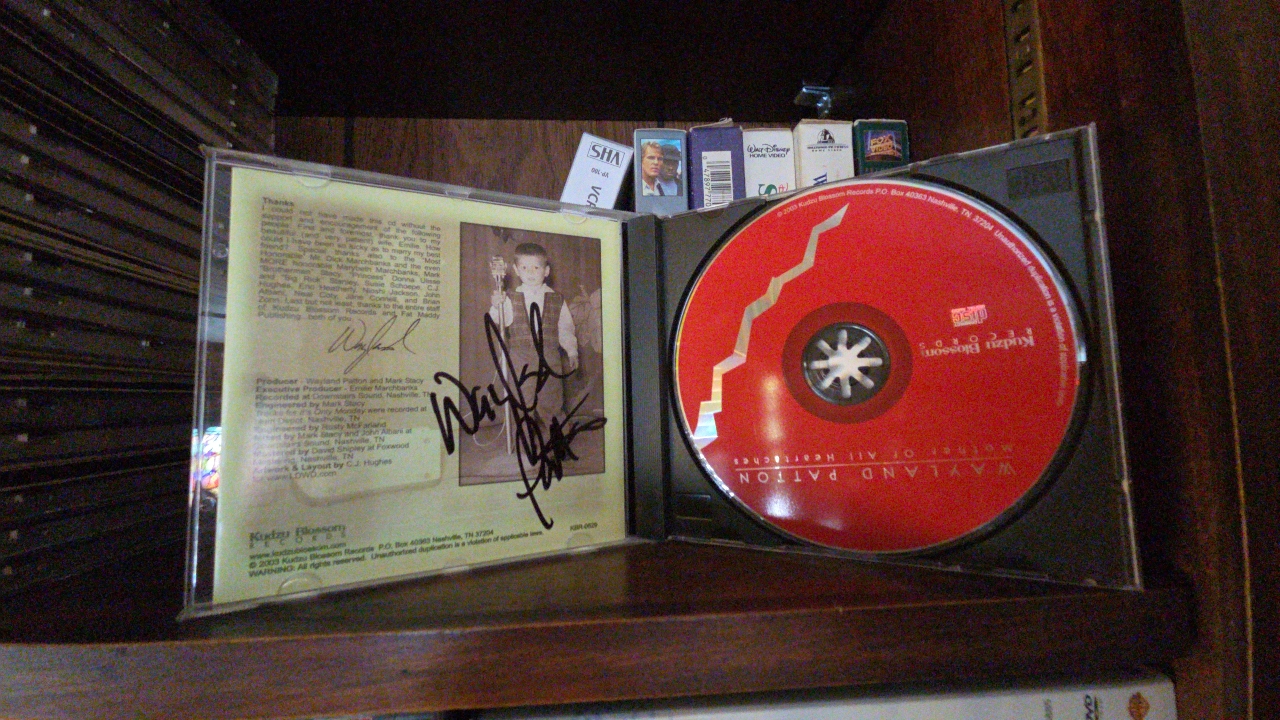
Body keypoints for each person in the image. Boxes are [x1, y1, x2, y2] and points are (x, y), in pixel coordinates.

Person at [489, 242, 578, 422]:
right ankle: (523, 437)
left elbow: (565, 328)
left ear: (546, 271)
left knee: (552, 401)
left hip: (550, 356)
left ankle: (555, 436)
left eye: (536, 267)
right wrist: (496, 305)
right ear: (516, 270)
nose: (530, 272)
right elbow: (498, 319)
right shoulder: (510, 297)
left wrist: (572, 350)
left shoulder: (557, 299)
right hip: (521, 356)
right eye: (524, 267)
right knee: (521, 401)